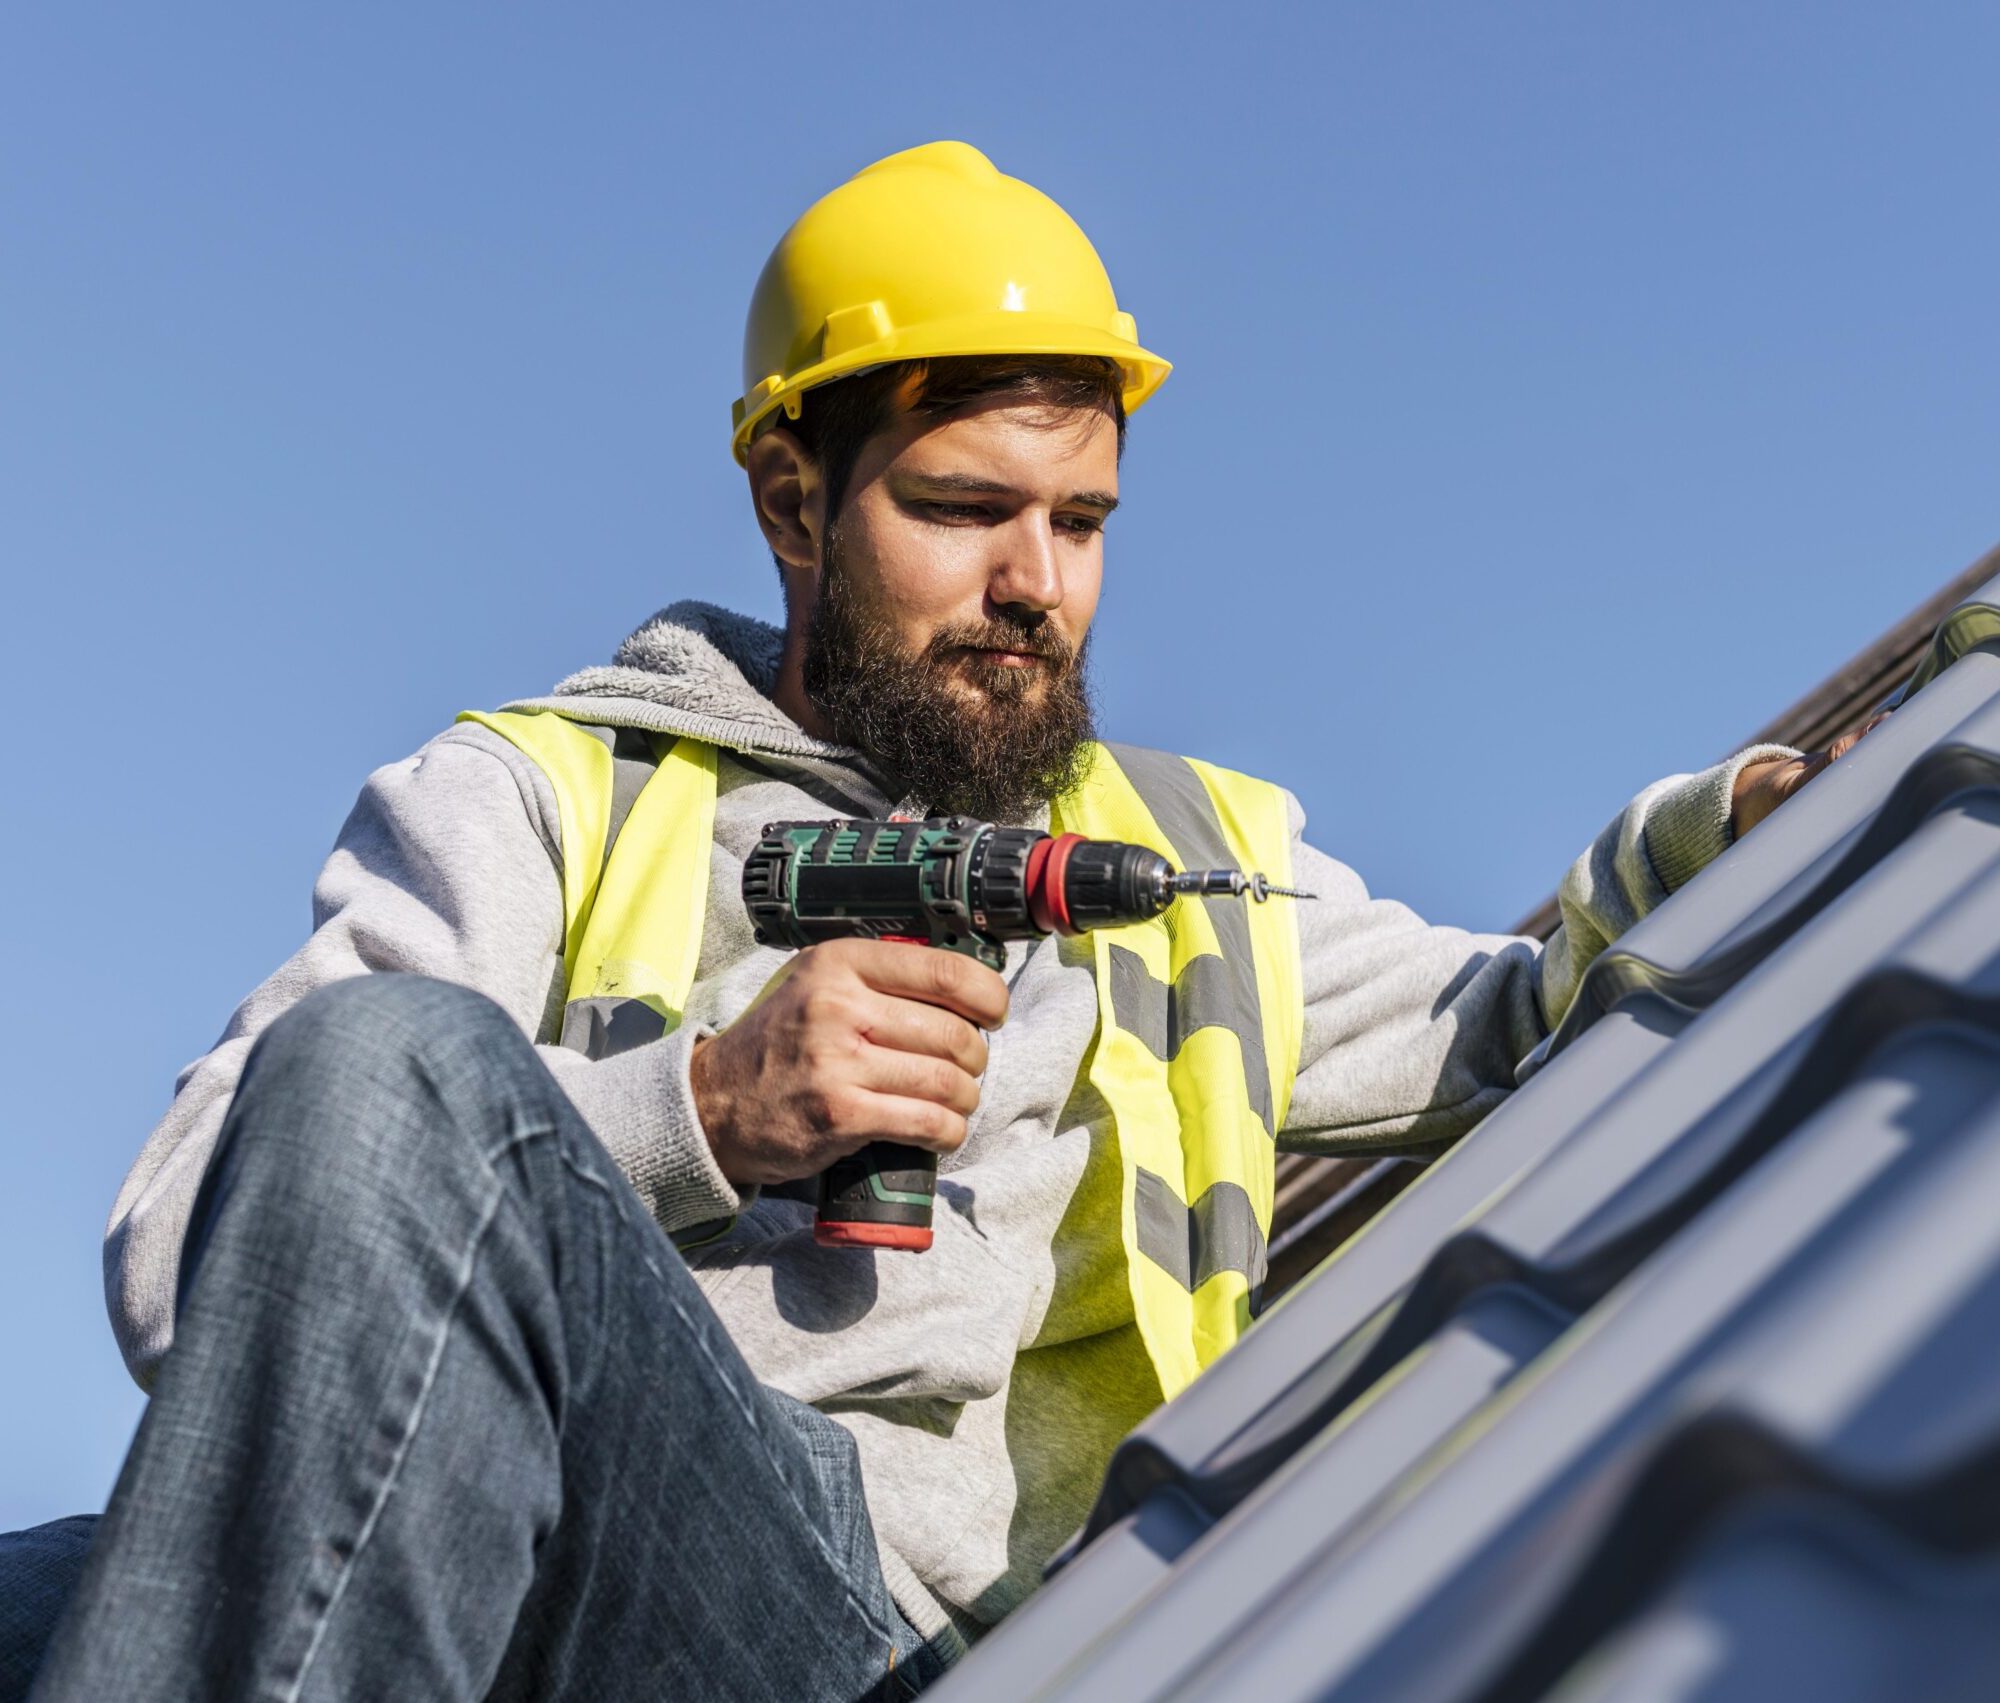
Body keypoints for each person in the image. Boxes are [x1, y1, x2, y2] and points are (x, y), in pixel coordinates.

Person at [6, 141, 1851, 1701]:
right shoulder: (541, 796)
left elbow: (1528, 1005)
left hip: (873, 1641)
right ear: (792, 502)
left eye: (1084, 520)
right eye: (966, 509)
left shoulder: (1185, 863)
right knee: (328, 1152)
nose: (1037, 587)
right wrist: (702, 1109)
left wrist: (1740, 822)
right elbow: (185, 1249)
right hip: (505, 1532)